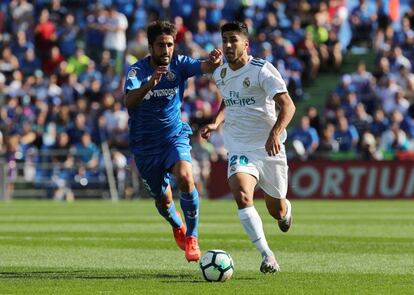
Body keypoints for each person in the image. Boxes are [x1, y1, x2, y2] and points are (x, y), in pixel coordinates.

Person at [200, 21, 296, 273]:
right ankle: (267, 255)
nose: (228, 45)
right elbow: (228, 101)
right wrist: (215, 122)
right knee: (242, 194)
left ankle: (285, 212)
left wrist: (275, 133)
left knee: (276, 209)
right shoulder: (220, 73)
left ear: (246, 44)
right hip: (240, 147)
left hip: (269, 148)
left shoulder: (262, 70)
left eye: (233, 40)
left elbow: (288, 106)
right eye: (225, 40)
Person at [124, 21, 222, 262]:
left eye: (169, 44)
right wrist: (150, 84)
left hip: (173, 137)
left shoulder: (179, 64)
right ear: (150, 47)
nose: (166, 50)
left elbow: (204, 66)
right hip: (145, 146)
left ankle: (192, 237)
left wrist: (214, 61)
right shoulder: (137, 72)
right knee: (163, 199)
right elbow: (129, 102)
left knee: (187, 177)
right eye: (161, 45)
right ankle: (177, 225)